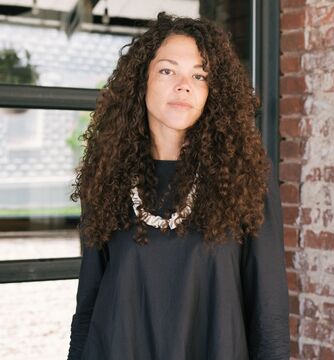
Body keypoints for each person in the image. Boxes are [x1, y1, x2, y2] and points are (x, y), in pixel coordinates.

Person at [67, 11, 290, 360]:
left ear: (212, 91)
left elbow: (269, 314)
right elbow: (88, 305)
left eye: (199, 75)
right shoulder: (107, 175)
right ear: (142, 80)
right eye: (168, 70)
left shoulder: (246, 177)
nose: (183, 85)